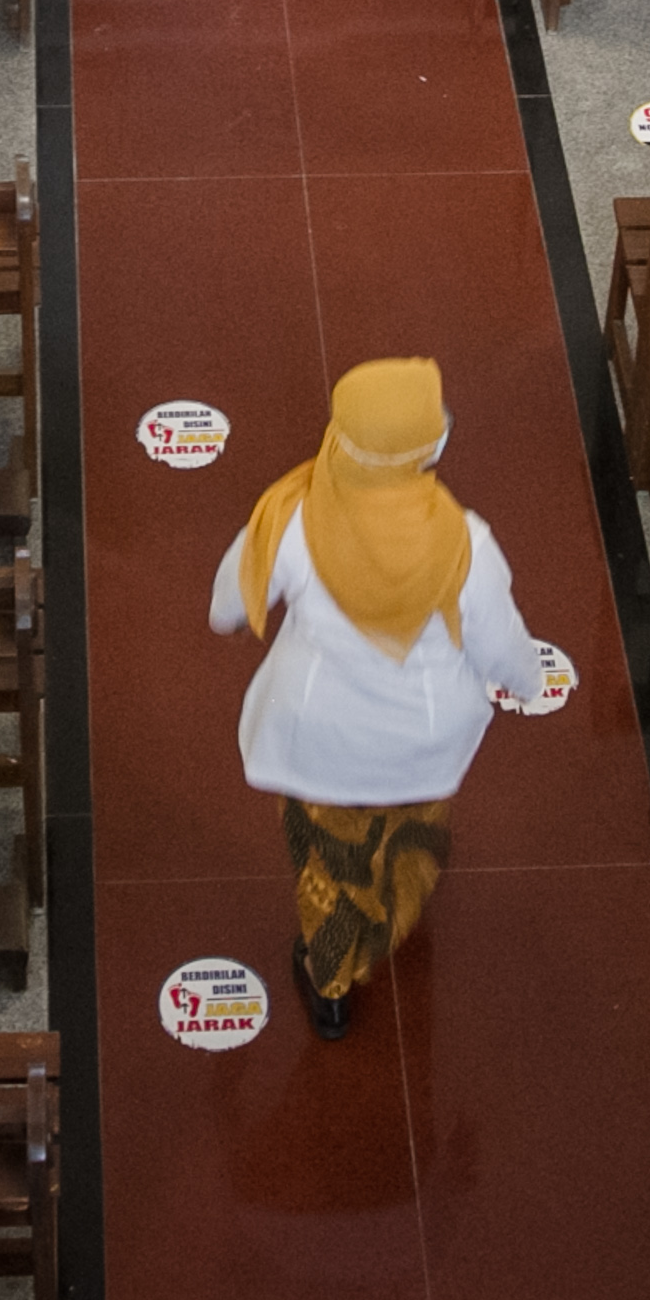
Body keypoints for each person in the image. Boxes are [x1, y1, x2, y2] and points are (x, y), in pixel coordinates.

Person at [207, 357, 545, 1042]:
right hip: (422, 746)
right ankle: (397, 902)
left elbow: (224, 609)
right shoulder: (466, 542)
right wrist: (532, 683)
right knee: (408, 835)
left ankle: (328, 982)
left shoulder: (294, 517)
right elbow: (504, 650)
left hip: (316, 742)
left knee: (328, 865)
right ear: (429, 448)